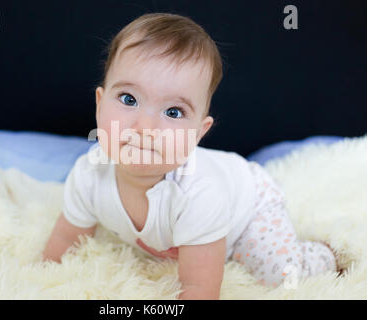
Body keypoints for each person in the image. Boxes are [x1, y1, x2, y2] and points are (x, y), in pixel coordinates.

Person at [42, 12, 339, 299]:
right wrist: (42, 280)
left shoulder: (198, 193)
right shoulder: (89, 174)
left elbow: (199, 288)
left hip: (250, 205)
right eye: (128, 99)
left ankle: (322, 254)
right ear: (99, 103)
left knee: (277, 274)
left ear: (198, 133)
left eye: (173, 112)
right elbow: (65, 241)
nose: (145, 127)